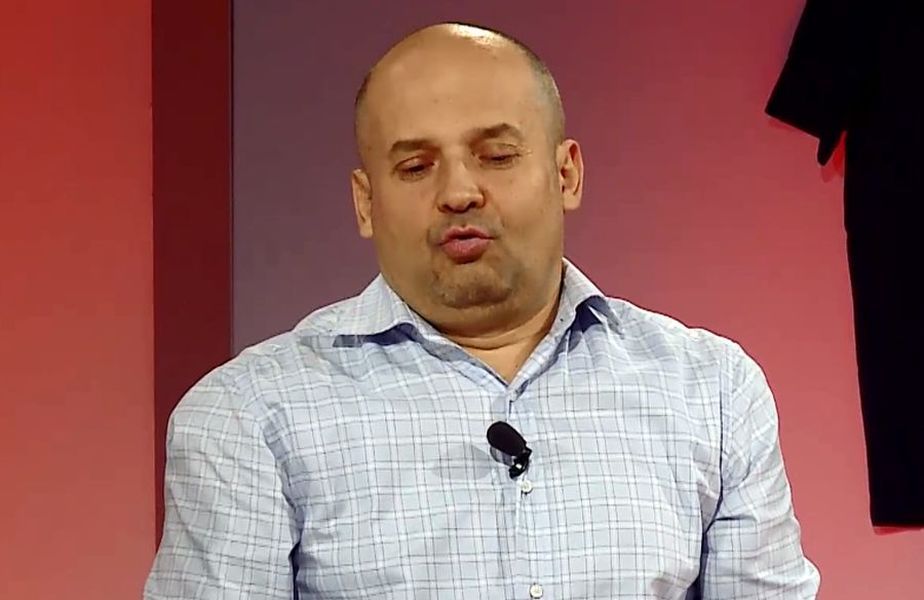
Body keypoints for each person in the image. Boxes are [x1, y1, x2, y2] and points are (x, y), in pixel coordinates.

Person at [145, 22, 820, 599]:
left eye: (496, 156)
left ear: (566, 174)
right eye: (416, 167)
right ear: (365, 202)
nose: (459, 191)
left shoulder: (711, 390)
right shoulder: (248, 415)